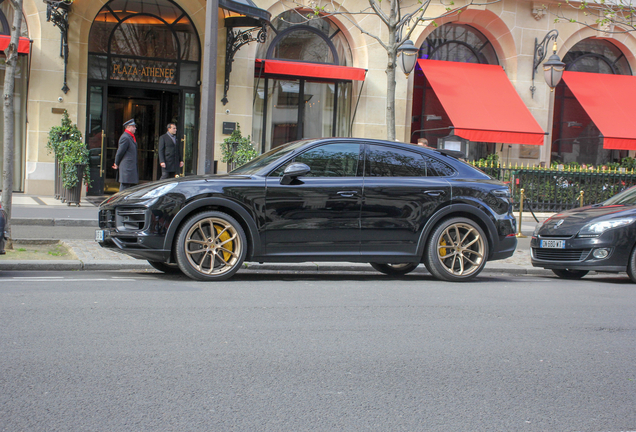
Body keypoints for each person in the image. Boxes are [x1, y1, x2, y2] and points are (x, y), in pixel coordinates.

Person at [113, 119, 139, 191]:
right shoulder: (125, 137)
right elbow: (120, 152)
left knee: (128, 187)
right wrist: (116, 163)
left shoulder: (130, 137)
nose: (135, 128)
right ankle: (121, 201)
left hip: (130, 167)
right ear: (128, 127)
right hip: (127, 167)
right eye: (133, 126)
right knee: (124, 186)